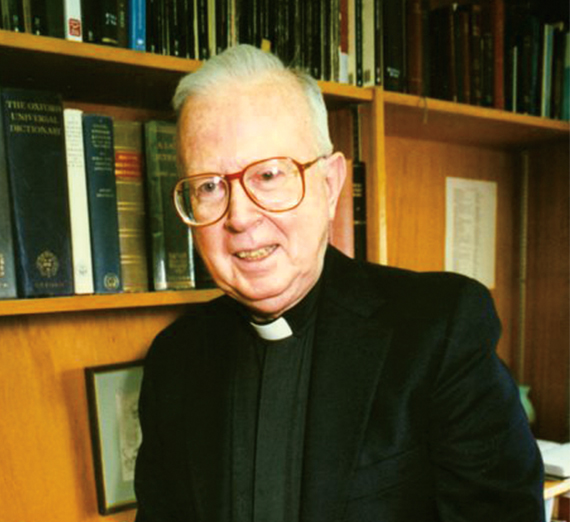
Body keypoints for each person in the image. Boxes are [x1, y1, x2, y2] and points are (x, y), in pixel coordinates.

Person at [134, 44, 544, 522]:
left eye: (268, 175)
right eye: (209, 187)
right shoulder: (174, 360)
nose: (240, 217)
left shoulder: (440, 328)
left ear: (329, 185)